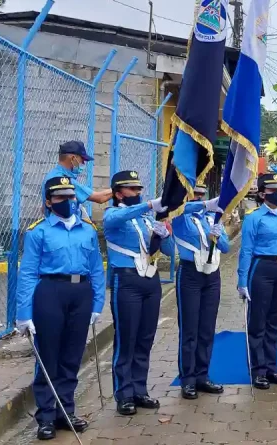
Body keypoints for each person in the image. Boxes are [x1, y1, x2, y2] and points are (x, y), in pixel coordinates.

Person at [15, 177, 106, 440]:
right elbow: (29, 274)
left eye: (71, 196)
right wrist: (24, 314)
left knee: (72, 355)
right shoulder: (38, 231)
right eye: (60, 197)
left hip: (81, 293)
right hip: (50, 293)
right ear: (48, 201)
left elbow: (96, 270)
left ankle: (65, 411)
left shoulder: (87, 230)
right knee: (48, 356)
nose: (67, 202)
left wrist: (97, 303)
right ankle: (45, 416)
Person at [103, 170, 174, 415]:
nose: (137, 192)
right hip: (127, 281)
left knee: (145, 338)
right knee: (127, 339)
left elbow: (168, 251)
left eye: (139, 189)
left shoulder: (146, 219)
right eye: (132, 189)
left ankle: (139, 389)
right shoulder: (113, 214)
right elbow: (116, 219)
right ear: (118, 192)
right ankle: (123, 394)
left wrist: (164, 234)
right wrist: (148, 205)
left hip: (150, 280)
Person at [237, 174, 277, 390]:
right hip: (261, 268)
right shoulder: (254, 218)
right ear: (263, 193)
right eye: (273, 190)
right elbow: (246, 250)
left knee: (275, 320)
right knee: (258, 321)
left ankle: (272, 367)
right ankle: (258, 371)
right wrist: (242, 281)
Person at [171, 183, 227, 400]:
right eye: (195, 195)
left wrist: (219, 234)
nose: (199, 198)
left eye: (203, 195)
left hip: (212, 274)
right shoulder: (181, 216)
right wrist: (202, 205)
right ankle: (188, 378)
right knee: (189, 329)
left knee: (206, 328)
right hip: (190, 274)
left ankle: (202, 375)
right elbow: (175, 208)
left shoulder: (210, 218)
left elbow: (227, 248)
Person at [42, 141, 113, 217]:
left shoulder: (52, 175)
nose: (83, 163)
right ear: (73, 158)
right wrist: (119, 187)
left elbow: (43, 208)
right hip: (64, 226)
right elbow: (100, 198)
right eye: (82, 160)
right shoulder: (64, 180)